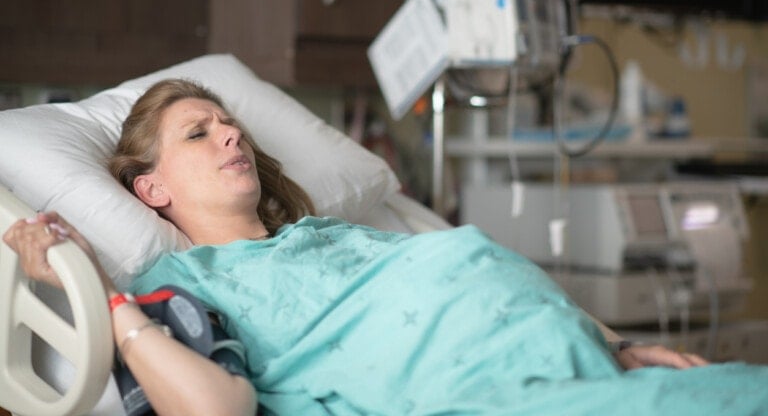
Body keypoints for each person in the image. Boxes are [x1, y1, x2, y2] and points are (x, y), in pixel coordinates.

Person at [4, 79, 746, 416]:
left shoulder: (336, 236)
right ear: (150, 191)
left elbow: (480, 282)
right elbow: (214, 410)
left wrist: (617, 341)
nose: (232, 134)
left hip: (574, 364)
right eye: (198, 133)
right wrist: (99, 294)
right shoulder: (186, 285)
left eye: (231, 124)